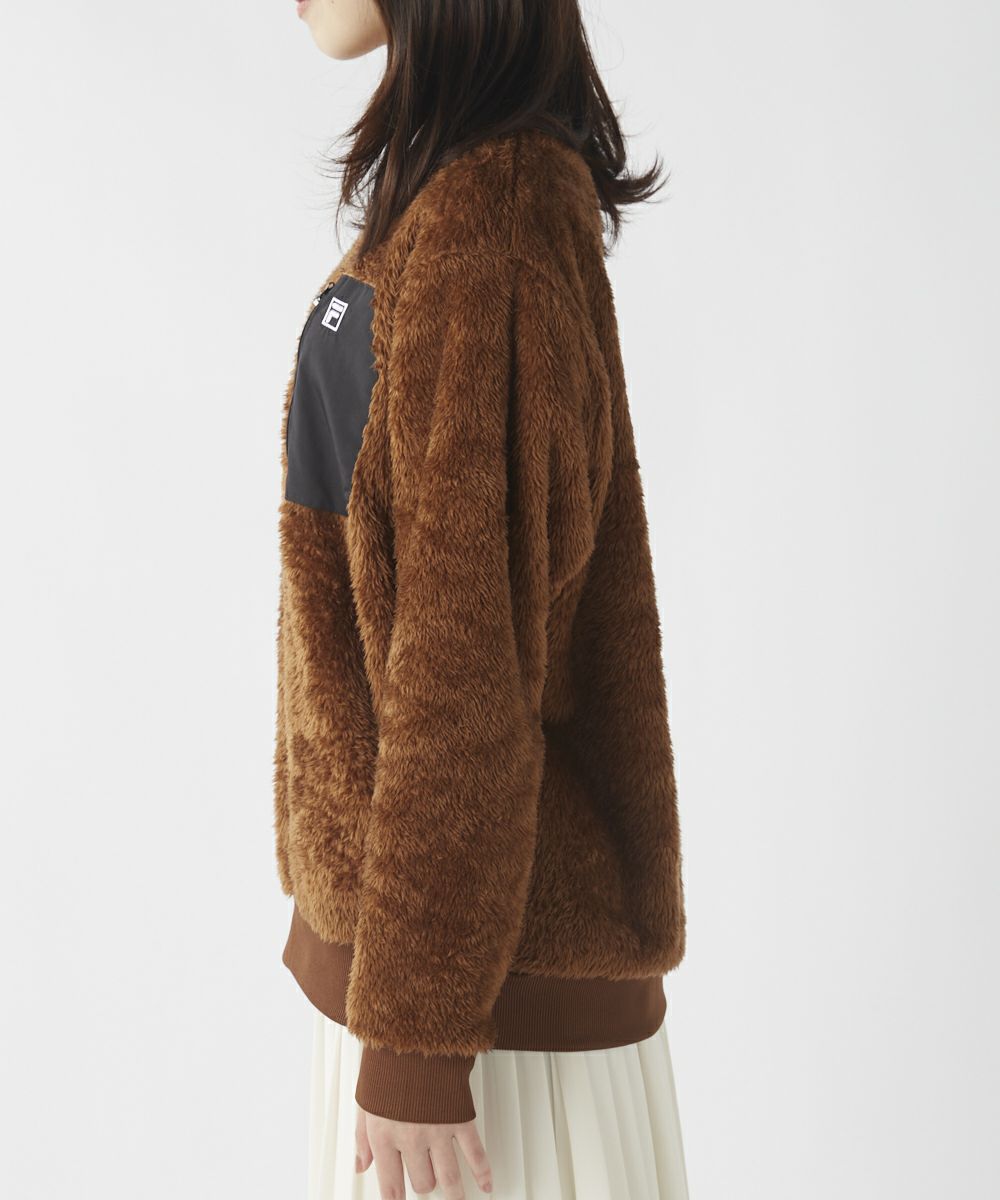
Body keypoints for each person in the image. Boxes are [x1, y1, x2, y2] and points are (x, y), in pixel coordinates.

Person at [274, 2, 690, 1197]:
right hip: (433, 992)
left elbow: (465, 666)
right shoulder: (451, 201)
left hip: (480, 1035)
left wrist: (415, 1043)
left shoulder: (489, 226)